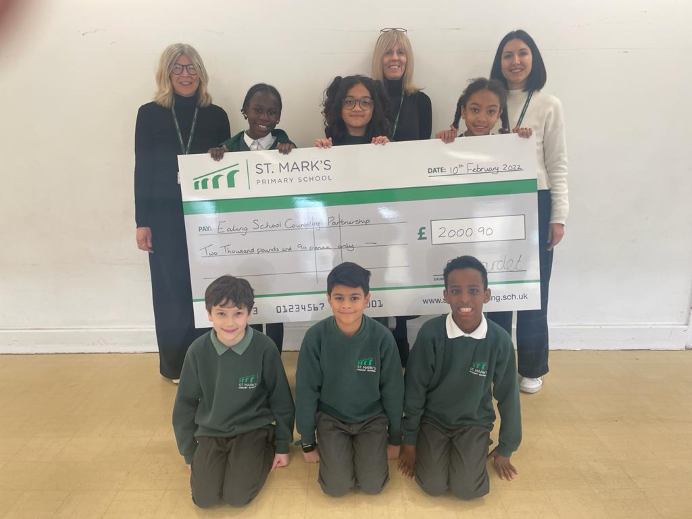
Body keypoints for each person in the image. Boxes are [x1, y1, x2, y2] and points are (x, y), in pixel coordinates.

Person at [134, 43, 231, 381]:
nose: (186, 74)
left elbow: (228, 167)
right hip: (164, 216)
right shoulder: (149, 113)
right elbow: (142, 168)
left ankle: (209, 359)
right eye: (178, 68)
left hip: (206, 215)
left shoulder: (216, 114)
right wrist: (141, 222)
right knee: (171, 288)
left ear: (201, 73)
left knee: (208, 284)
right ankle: (176, 365)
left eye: (192, 68)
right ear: (166, 73)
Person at [398, 255, 521, 500]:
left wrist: (507, 447)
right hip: (433, 421)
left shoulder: (499, 340)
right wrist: (409, 442)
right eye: (456, 291)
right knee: (432, 486)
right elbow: (414, 390)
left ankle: (472, 449)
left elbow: (508, 396)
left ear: (486, 294)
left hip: (473, 422)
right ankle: (434, 448)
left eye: (473, 290)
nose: (464, 298)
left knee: (467, 489)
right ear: (446, 295)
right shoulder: (431, 334)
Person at [488, 30, 569, 394]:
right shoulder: (486, 100)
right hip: (492, 203)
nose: (515, 61)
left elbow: (557, 164)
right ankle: (497, 365)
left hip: (536, 201)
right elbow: (466, 147)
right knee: (495, 286)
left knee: (535, 289)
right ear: (499, 61)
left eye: (522, 53)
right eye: (508, 55)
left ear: (533, 59)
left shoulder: (549, 104)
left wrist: (558, 216)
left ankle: (532, 367)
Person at [172, 275, 295, 508]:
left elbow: (281, 398)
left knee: (237, 497)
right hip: (211, 431)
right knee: (204, 499)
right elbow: (185, 404)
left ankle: (263, 449)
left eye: (238, 313)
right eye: (221, 313)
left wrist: (281, 445)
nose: (230, 322)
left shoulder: (264, 347)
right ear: (209, 314)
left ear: (249, 313)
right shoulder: (197, 351)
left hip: (252, 429)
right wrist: (189, 453)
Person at [295, 262, 404, 497]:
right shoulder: (315, 337)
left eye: (354, 298)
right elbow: (306, 391)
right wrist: (307, 442)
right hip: (331, 418)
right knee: (336, 488)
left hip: (372, 419)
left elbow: (393, 391)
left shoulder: (382, 338)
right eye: (339, 298)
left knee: (373, 485)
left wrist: (395, 438)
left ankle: (363, 453)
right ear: (329, 298)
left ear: (367, 299)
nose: (346, 305)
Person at [208, 83, 296, 353]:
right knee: (245, 299)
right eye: (258, 110)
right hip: (240, 240)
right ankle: (249, 357)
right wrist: (217, 157)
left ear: (279, 117)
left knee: (275, 302)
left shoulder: (287, 148)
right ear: (244, 110)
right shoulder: (226, 150)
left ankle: (274, 359)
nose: (264, 118)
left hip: (277, 238)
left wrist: (290, 149)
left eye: (272, 113)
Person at [370, 28, 433, 366]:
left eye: (401, 53)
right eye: (388, 52)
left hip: (406, 199)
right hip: (370, 199)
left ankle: (401, 341)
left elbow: (424, 154)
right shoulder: (365, 96)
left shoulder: (421, 101)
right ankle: (375, 339)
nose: (395, 58)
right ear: (378, 59)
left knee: (402, 270)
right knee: (375, 269)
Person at [435, 77, 532, 140]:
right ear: (464, 111)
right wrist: (442, 141)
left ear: (498, 115)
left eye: (491, 111)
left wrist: (520, 141)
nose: (481, 119)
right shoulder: (451, 143)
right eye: (475, 110)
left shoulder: (504, 145)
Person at [314, 75, 390, 148]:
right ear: (338, 107)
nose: (357, 109)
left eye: (365, 102)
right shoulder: (329, 147)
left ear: (375, 108)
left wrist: (388, 148)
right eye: (349, 102)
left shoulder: (385, 144)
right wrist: (319, 151)